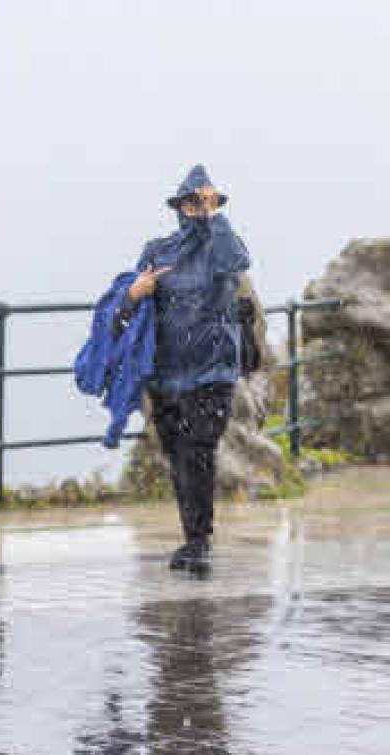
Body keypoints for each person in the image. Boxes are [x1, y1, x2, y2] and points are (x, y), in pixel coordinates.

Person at [117, 164, 251, 575]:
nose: (197, 207)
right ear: (178, 206)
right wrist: (133, 294)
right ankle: (192, 537)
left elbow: (238, 261)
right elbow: (125, 312)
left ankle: (198, 540)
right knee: (178, 456)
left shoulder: (223, 247)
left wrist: (215, 218)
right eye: (191, 202)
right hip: (167, 375)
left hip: (212, 374)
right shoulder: (157, 251)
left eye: (204, 201)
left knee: (198, 452)